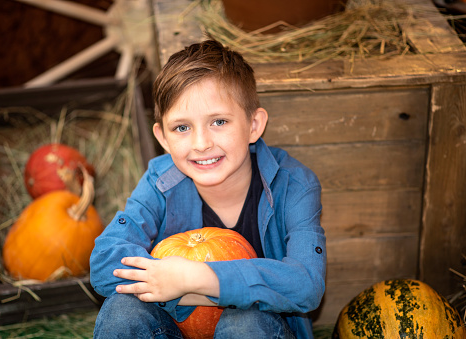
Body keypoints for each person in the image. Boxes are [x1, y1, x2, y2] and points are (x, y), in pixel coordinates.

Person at [90, 39, 326, 339]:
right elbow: (104, 262)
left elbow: (306, 284)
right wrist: (177, 286)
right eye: (182, 128)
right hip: (178, 331)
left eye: (218, 121)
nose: (201, 143)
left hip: (260, 332)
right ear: (162, 137)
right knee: (121, 312)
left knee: (243, 325)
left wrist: (197, 279)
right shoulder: (160, 181)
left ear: (254, 125)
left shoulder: (293, 185)